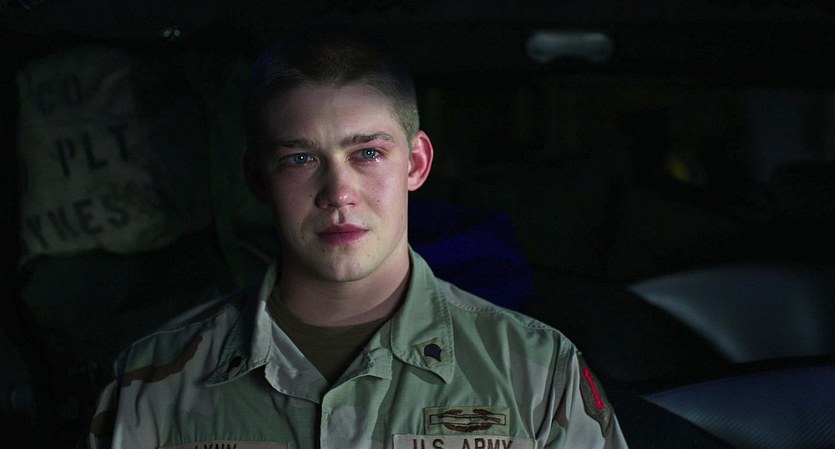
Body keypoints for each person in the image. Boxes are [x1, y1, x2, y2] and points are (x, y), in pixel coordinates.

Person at [87, 24, 628, 449]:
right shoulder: (153, 383)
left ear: (416, 163)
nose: (338, 192)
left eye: (367, 153)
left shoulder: (536, 372)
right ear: (257, 179)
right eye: (300, 159)